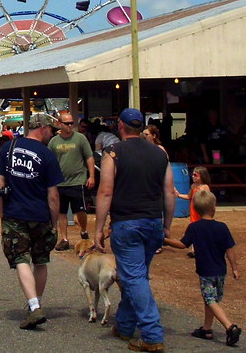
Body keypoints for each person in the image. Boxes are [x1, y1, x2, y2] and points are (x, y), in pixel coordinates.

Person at [94, 107, 174, 352]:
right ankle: (125, 325)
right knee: (136, 274)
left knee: (134, 276)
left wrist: (98, 227)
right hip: (153, 222)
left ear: (120, 126)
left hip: (127, 222)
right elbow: (169, 191)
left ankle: (151, 334)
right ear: (141, 127)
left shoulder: (113, 152)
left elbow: (106, 190)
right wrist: (167, 225)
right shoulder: (160, 153)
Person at [0, 112, 64, 330]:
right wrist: (54, 223)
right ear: (42, 129)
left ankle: (34, 306)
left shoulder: (8, 148)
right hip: (40, 215)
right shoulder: (48, 155)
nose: (52, 135)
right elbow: (53, 196)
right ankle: (36, 303)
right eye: (51, 130)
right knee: (41, 260)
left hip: (14, 213)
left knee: (21, 258)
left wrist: (2, 212)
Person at [163, 190, 242, 347]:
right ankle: (207, 329)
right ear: (214, 208)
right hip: (220, 270)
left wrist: (164, 240)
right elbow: (230, 249)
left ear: (196, 210)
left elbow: (182, 244)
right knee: (212, 299)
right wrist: (235, 268)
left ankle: (230, 327)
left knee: (210, 299)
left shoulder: (194, 227)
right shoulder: (222, 227)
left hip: (206, 271)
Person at [48, 110, 96, 252]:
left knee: (80, 210)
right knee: (61, 212)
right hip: (60, 182)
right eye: (67, 123)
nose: (70, 126)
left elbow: (89, 157)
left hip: (77, 181)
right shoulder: (54, 142)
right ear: (59, 124)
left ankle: (84, 231)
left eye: (71, 123)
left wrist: (91, 175)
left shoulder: (80, 138)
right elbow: (49, 161)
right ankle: (64, 238)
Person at [175, 167, 211, 258]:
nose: (193, 176)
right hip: (194, 212)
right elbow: (188, 196)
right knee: (195, 229)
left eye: (195, 175)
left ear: (202, 176)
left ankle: (202, 249)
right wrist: (178, 195)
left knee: (202, 230)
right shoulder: (193, 186)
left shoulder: (204, 187)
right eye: (193, 174)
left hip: (200, 212)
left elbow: (207, 200)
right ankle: (195, 250)